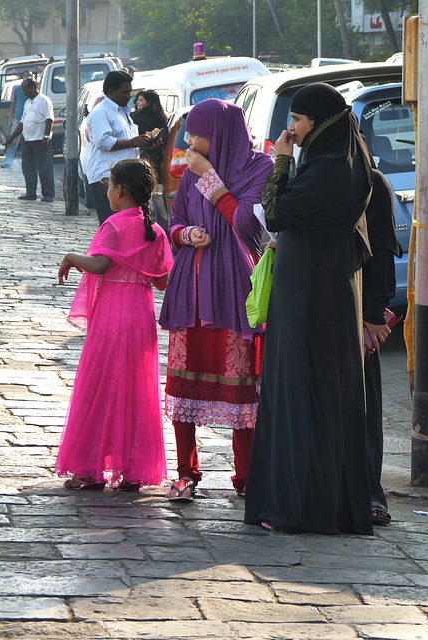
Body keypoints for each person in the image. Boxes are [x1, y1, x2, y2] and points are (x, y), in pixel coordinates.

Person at [244, 83, 374, 535]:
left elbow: (275, 210)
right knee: (307, 391)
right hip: (315, 290)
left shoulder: (333, 168)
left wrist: (280, 160)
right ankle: (304, 502)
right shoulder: (334, 159)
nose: (291, 128)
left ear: (320, 122)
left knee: (306, 392)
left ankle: (303, 507)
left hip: (314, 295)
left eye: (297, 120)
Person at [159, 99, 273, 501]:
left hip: (235, 291)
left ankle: (246, 476)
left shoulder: (260, 168)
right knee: (183, 381)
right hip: (191, 288)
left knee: (242, 388)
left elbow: (246, 225)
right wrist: (185, 235)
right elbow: (173, 220)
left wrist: (210, 179)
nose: (190, 141)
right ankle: (186, 473)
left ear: (220, 133)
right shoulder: (189, 171)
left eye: (197, 133)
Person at [55, 158, 174, 492]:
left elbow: (100, 264)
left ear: (120, 190)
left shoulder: (115, 225)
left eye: (109, 184)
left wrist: (70, 257)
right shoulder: (156, 230)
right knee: (136, 388)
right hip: (140, 316)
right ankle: (132, 471)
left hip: (112, 316)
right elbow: (163, 282)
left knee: (102, 385)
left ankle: (90, 470)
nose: (108, 190)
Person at [363, 168, 403, 525]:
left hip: (358, 318)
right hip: (315, 314)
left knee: (363, 406)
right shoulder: (311, 173)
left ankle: (371, 494)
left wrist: (374, 313)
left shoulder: (371, 180)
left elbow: (383, 249)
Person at [86, 70, 154, 225]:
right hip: (106, 178)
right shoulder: (101, 112)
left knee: (128, 227)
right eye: (125, 92)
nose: (129, 96)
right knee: (113, 227)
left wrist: (145, 144)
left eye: (130, 92)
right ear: (111, 92)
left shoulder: (123, 112)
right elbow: (103, 142)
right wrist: (132, 142)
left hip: (125, 177)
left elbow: (129, 146)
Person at [5, 77, 54, 202]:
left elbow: (49, 120)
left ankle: (48, 194)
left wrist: (46, 136)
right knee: (28, 168)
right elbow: (22, 122)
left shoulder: (44, 101)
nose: (24, 93)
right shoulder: (27, 103)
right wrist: (12, 137)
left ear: (33, 87)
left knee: (44, 167)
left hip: (40, 139)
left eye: (25, 90)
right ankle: (31, 193)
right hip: (27, 140)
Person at [131, 90, 168, 173]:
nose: (137, 103)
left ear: (148, 103)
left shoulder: (136, 117)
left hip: (141, 154)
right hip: (158, 155)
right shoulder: (161, 117)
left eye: (141, 100)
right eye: (137, 100)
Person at [2, 71, 33, 169]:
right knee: (13, 140)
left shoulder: (33, 90)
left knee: (30, 140)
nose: (27, 78)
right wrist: (10, 118)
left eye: (29, 77)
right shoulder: (17, 89)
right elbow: (13, 104)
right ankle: (8, 161)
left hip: (30, 119)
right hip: (18, 118)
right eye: (26, 76)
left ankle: (31, 162)